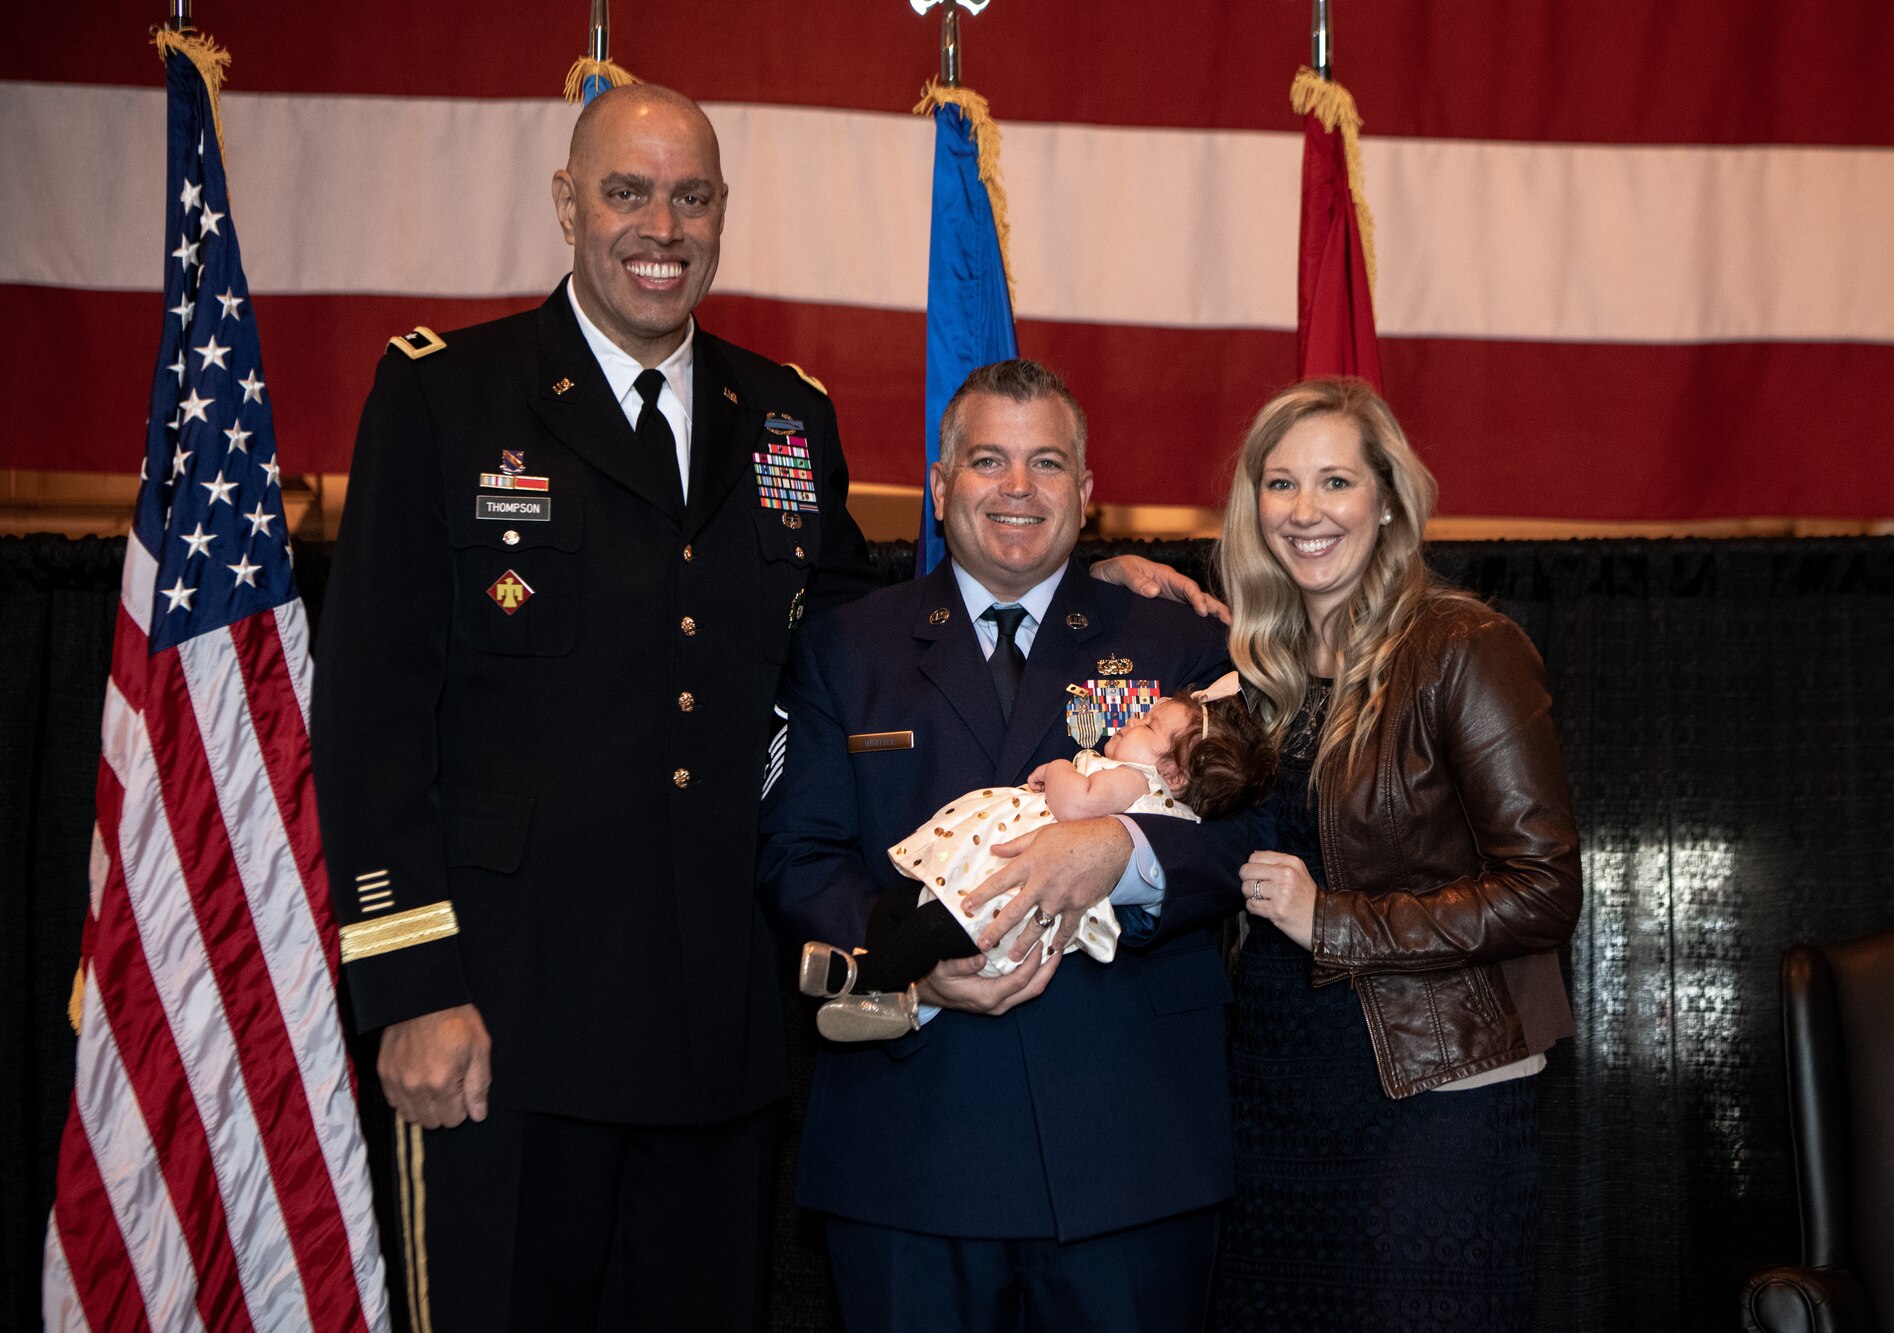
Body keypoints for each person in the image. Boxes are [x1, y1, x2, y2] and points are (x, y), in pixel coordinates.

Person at [313, 85, 1217, 1329]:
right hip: (506, 1020)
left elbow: (882, 627)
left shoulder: (785, 418)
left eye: (690, 196)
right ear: (567, 202)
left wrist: (1082, 579)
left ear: (722, 213)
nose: (659, 225)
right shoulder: (448, 399)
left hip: (715, 1029)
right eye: (627, 191)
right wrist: (411, 984)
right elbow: (370, 710)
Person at [758, 358, 1256, 1333]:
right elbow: (796, 854)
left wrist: (1119, 849)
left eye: (1046, 463)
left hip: (1126, 1148)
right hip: (911, 1145)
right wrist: (912, 963)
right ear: (940, 485)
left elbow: (1250, 839)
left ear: (1086, 489)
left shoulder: (1173, 638)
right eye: (987, 460)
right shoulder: (841, 647)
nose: (1018, 488)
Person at [1208, 378, 1583, 1332]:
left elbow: (1544, 890)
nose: (1305, 511)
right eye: (1280, 483)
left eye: (1335, 480)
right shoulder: (1264, 672)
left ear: (1387, 496)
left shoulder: (1464, 646)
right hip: (1274, 1099)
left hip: (1432, 1096)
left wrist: (1330, 917)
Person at [802, 686, 1276, 1038]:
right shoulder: (1140, 770)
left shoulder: (1134, 780)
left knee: (934, 927)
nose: (1132, 722)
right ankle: (895, 1000)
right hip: (996, 881)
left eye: (1148, 726)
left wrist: (1060, 768)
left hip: (1013, 900)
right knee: (903, 908)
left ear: (1171, 773)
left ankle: (859, 976)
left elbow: (1077, 807)